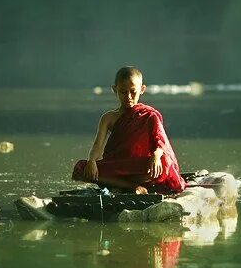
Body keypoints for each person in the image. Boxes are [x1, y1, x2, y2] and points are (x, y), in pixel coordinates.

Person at [72, 66, 186, 194]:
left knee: (164, 164)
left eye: (133, 91)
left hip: (139, 167)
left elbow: (161, 142)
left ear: (142, 89)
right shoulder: (108, 118)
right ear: (114, 89)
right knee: (81, 168)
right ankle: (133, 187)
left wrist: (156, 155)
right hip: (117, 166)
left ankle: (119, 184)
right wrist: (92, 161)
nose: (129, 96)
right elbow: (98, 145)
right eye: (123, 92)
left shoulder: (150, 115)